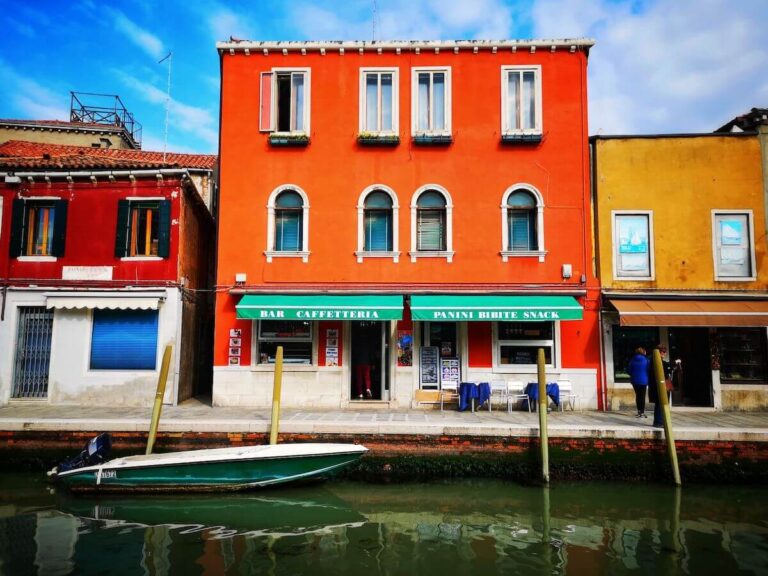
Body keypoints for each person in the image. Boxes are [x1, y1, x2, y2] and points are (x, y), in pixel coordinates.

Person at [648, 344, 672, 428]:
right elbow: (664, 369)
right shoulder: (656, 361)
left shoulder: (655, 361)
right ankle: (658, 422)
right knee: (660, 403)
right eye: (663, 352)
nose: (665, 353)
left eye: (665, 352)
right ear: (659, 352)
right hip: (659, 385)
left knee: (662, 403)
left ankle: (660, 421)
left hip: (664, 383)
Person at [627, 347, 649, 418]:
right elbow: (649, 369)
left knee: (638, 396)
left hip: (634, 381)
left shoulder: (632, 360)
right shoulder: (646, 360)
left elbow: (628, 370)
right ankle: (642, 413)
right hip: (643, 380)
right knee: (642, 396)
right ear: (643, 352)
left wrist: (633, 374)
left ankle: (639, 411)